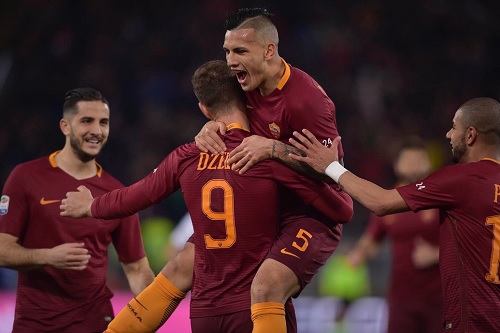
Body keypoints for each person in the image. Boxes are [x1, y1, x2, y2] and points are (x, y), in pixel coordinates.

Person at [60, 60, 353, 333]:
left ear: (204, 109)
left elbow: (133, 197)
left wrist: (91, 206)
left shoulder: (186, 157)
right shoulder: (264, 155)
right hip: (255, 313)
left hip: (203, 314)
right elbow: (338, 208)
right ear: (248, 99)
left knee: (178, 268)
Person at [189, 8, 348, 332]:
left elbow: (333, 172)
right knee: (182, 264)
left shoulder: (306, 101)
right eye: (228, 51)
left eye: (240, 51)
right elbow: (226, 115)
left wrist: (273, 148)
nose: (231, 61)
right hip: (267, 206)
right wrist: (211, 126)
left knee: (266, 287)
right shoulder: (243, 87)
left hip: (311, 212)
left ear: (269, 50)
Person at [288, 97, 500, 332]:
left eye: (454, 128)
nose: (449, 135)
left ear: (470, 135)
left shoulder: (459, 180)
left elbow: (380, 202)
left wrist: (331, 166)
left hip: (468, 317)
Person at [0, 87, 155, 333]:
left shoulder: (117, 194)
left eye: (103, 122)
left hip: (95, 322)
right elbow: (2, 250)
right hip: (35, 324)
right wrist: (47, 257)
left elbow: (136, 269)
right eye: (87, 121)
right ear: (65, 126)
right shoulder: (25, 177)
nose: (96, 131)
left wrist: (155, 315)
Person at [346, 137, 442, 333]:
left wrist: (436, 253)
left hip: (440, 298)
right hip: (401, 299)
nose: (414, 166)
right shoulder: (386, 200)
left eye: (419, 160)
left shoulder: (441, 196)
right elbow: (373, 238)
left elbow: (467, 239)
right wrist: (359, 254)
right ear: (397, 164)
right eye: (409, 160)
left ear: (429, 163)